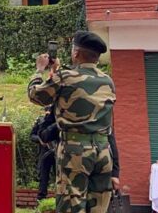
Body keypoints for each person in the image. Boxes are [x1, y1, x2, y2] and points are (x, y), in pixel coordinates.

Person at [28, 31, 116, 213]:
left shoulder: (65, 77)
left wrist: (39, 70)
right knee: (99, 206)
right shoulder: (107, 81)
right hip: (103, 150)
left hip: (75, 150)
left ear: (76, 53)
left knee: (71, 202)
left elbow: (36, 96)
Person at [30, 106, 56, 201]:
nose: (48, 112)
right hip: (45, 152)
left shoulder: (58, 120)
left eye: (50, 110)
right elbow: (32, 135)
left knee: (60, 177)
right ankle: (41, 201)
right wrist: (40, 140)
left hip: (57, 151)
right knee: (43, 177)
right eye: (47, 110)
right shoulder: (40, 120)